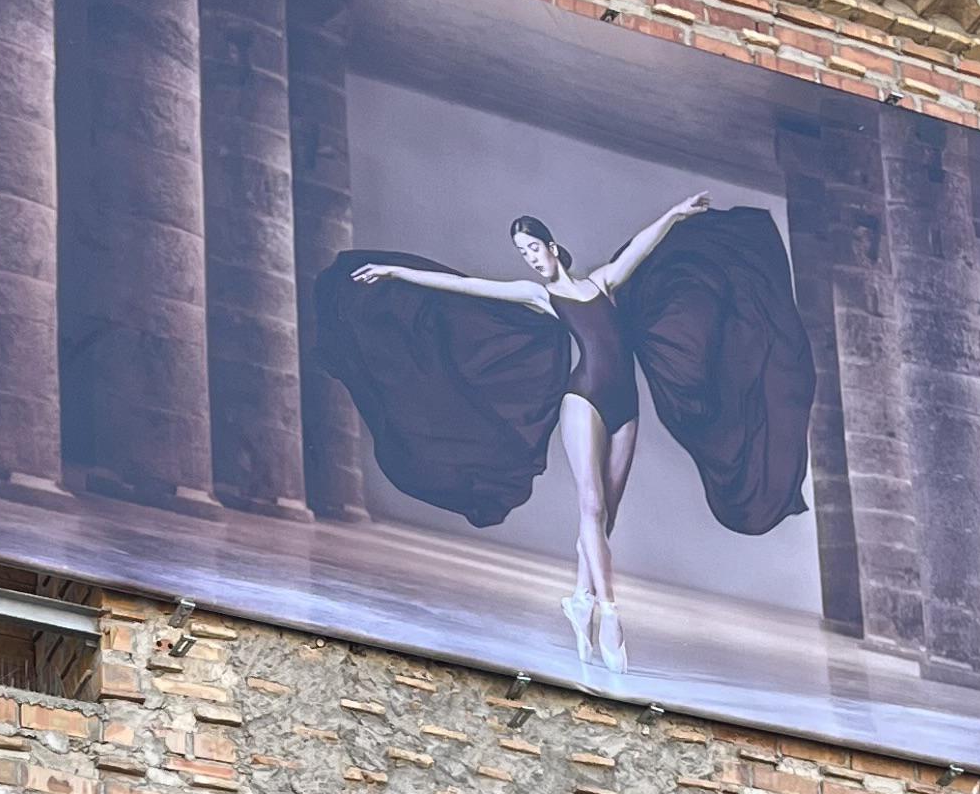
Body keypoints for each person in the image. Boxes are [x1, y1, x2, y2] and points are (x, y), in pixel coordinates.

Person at [320, 194, 812, 676]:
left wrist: (674, 215)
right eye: (523, 253)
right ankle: (609, 613)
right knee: (591, 508)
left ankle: (579, 599)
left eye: (533, 248)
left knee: (606, 517)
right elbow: (466, 287)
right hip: (584, 401)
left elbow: (642, 247)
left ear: (552, 246)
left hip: (626, 409)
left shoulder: (602, 283)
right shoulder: (539, 295)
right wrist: (396, 272)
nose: (531, 259)